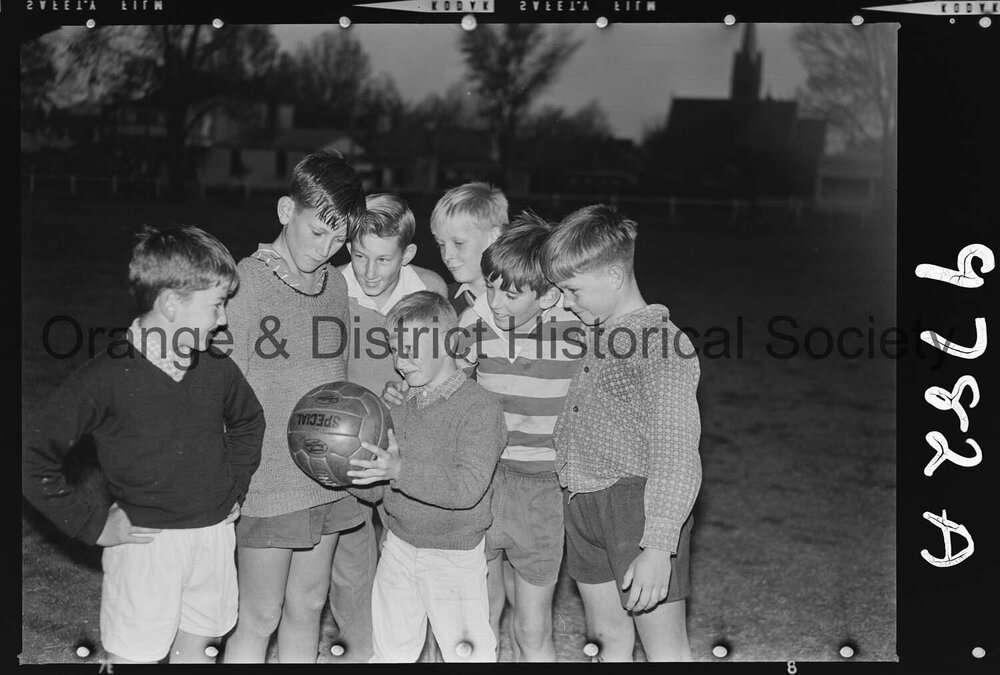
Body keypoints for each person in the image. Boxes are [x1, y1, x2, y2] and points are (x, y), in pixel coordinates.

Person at [22, 225, 265, 664]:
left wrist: (234, 486)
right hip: (146, 545)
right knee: (134, 656)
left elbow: (249, 421)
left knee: (201, 648)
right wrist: (91, 524)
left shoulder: (216, 367)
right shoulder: (108, 376)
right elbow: (31, 455)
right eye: (216, 305)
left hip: (212, 537)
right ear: (171, 303)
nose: (223, 319)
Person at [222, 150, 368, 663]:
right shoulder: (242, 285)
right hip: (268, 479)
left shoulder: (335, 285)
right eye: (318, 232)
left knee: (308, 604)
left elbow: (338, 376)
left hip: (327, 474)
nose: (327, 249)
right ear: (287, 211)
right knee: (259, 615)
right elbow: (220, 392)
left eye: (339, 240)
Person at [539, 204, 702, 662]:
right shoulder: (601, 331)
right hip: (583, 501)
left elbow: (677, 451)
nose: (566, 301)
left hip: (637, 507)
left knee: (664, 648)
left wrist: (658, 543)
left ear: (613, 276)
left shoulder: (662, 343)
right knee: (607, 639)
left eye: (572, 290)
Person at [346, 291, 507, 663]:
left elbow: (468, 488)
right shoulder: (398, 404)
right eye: (395, 349)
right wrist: (349, 472)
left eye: (411, 349)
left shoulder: (479, 408)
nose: (401, 361)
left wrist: (399, 470)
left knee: (467, 654)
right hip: (399, 547)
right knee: (390, 653)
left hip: (456, 555)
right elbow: (378, 491)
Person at [456, 211, 583, 660]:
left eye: (510, 294)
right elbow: (448, 390)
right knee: (479, 616)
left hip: (544, 493)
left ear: (548, 296)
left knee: (532, 628)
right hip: (485, 485)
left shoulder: (577, 333)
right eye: (491, 287)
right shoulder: (473, 328)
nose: (496, 301)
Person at [326, 193, 447, 662]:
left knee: (416, 560)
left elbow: (449, 367)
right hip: (347, 447)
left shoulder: (430, 288)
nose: (369, 272)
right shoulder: (331, 286)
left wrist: (413, 394)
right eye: (358, 255)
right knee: (352, 565)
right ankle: (361, 652)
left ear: (408, 255)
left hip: (412, 448)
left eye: (383, 259)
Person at [429, 182, 508, 316]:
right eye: (441, 244)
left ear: (494, 236)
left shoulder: (528, 300)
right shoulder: (441, 305)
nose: (447, 255)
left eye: (458, 243)